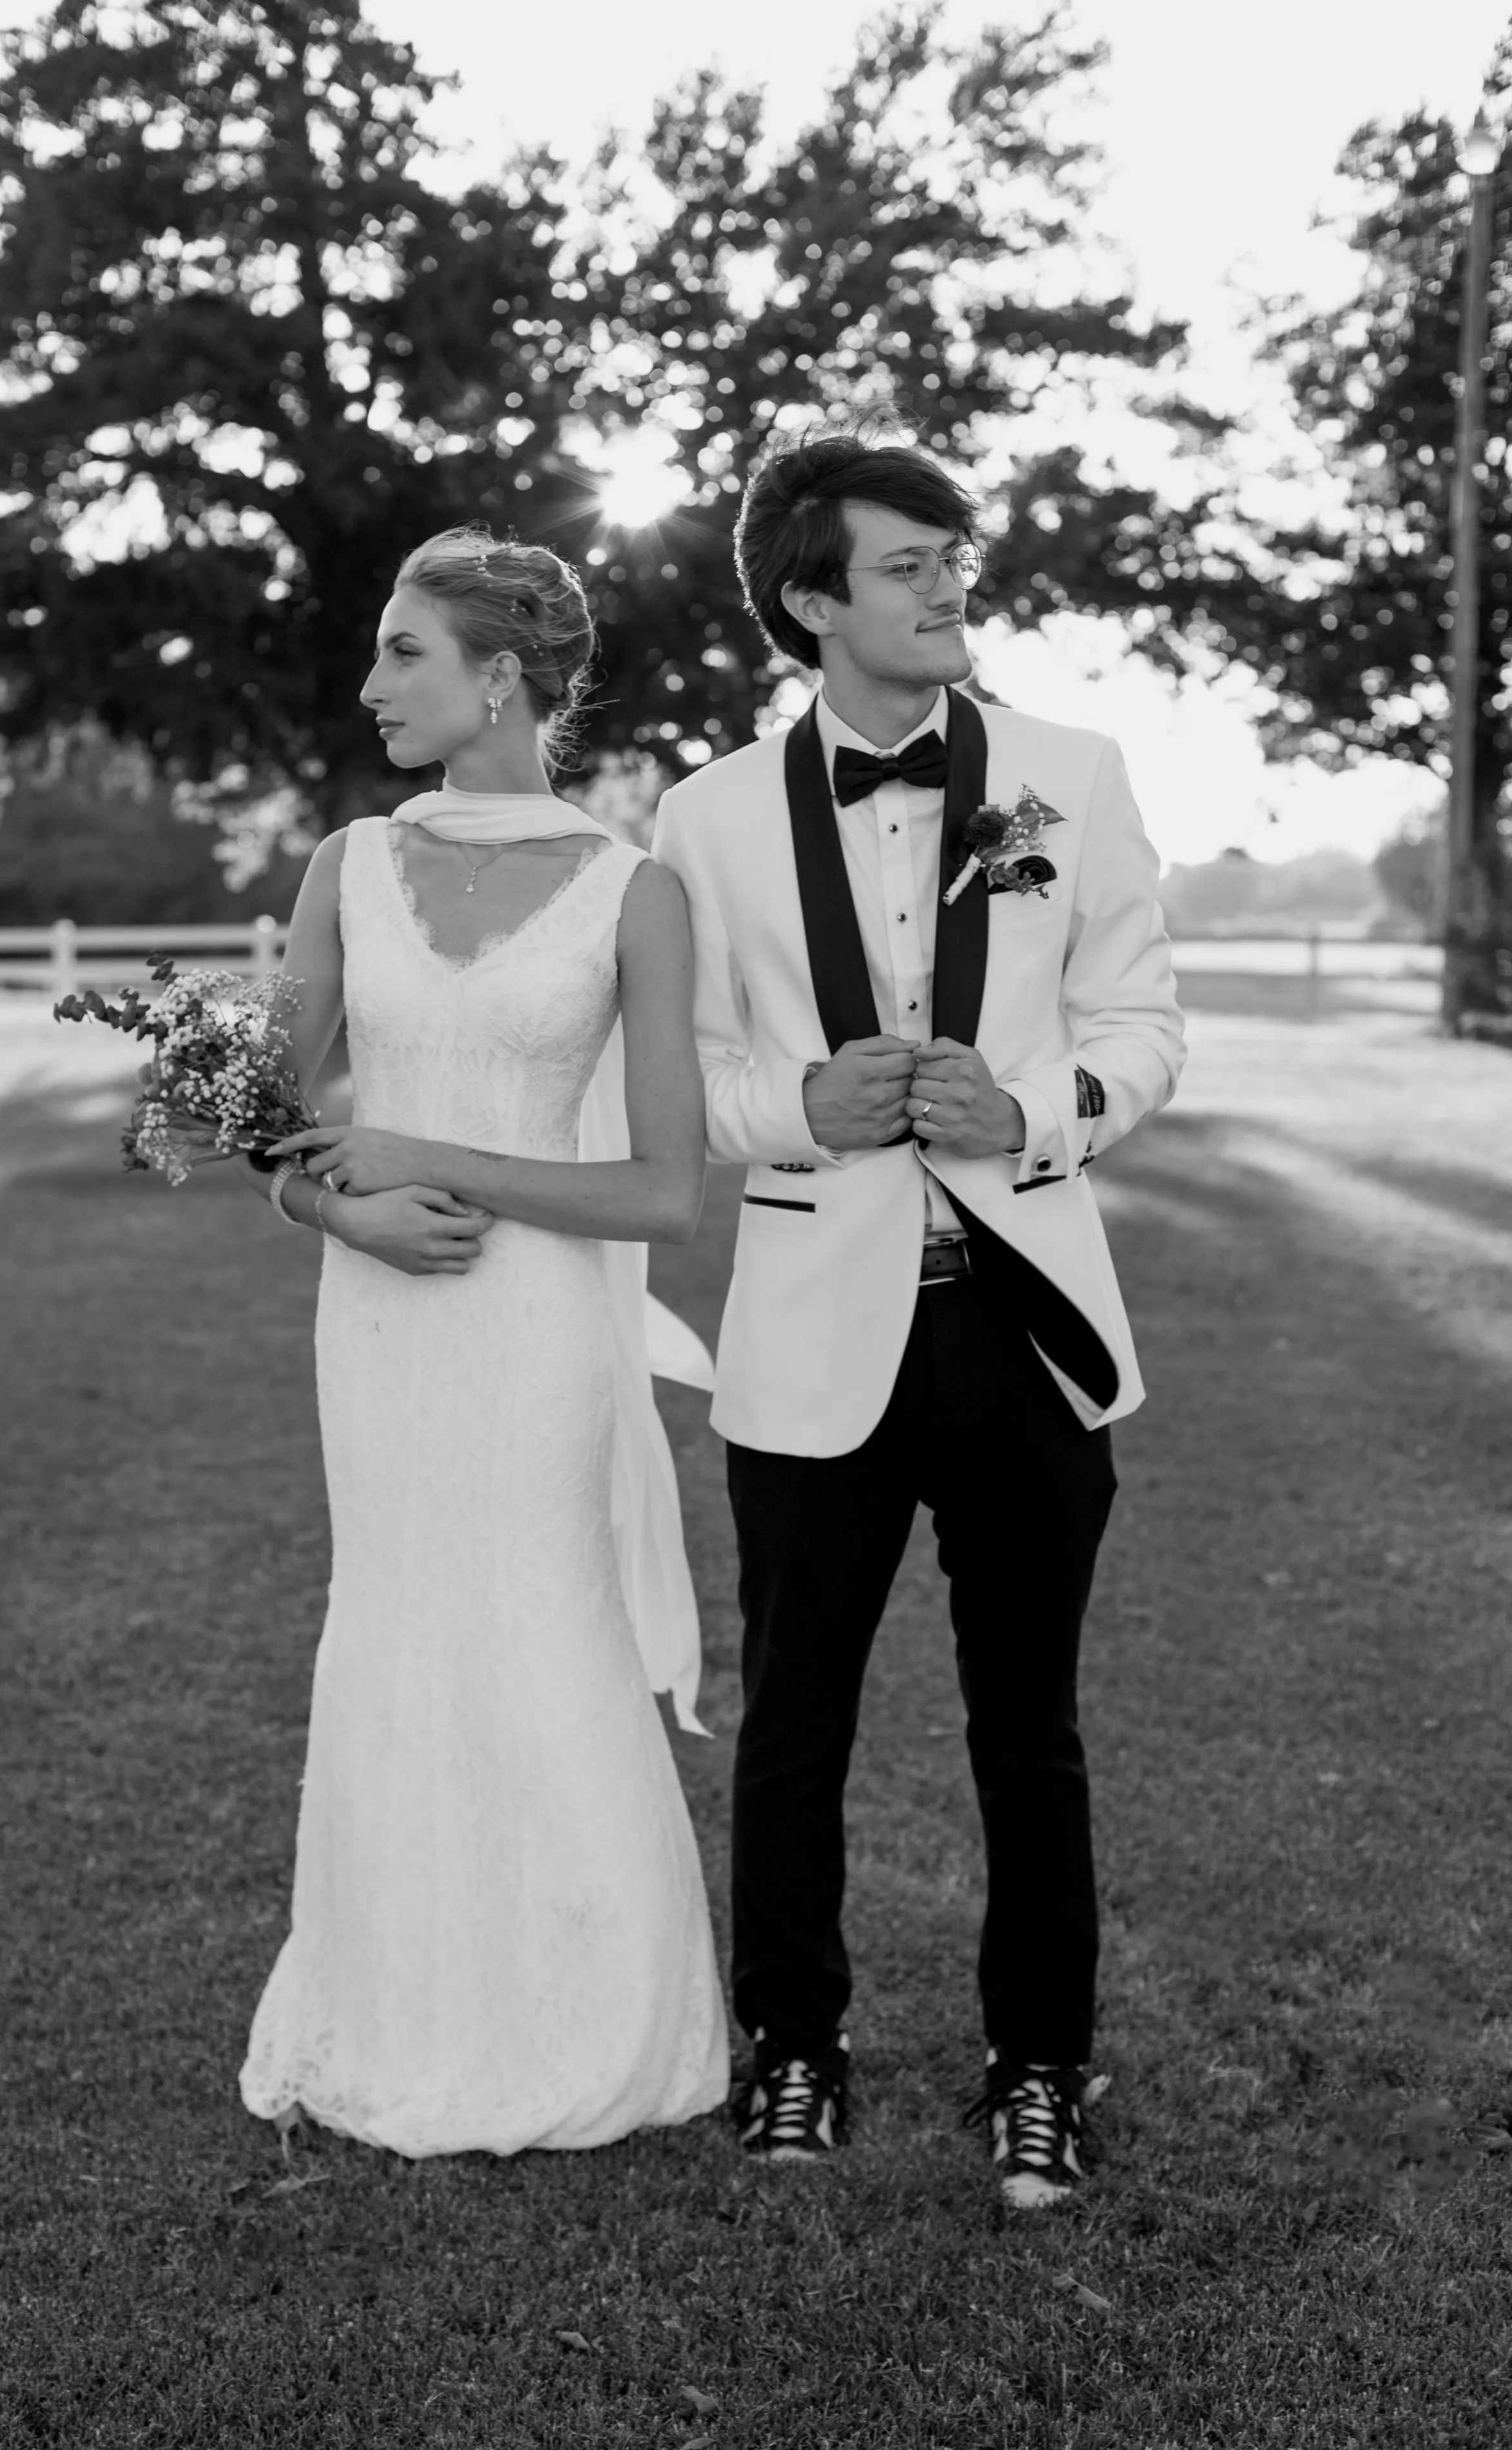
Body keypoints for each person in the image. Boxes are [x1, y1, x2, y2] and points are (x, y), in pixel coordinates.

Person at [650, 429, 1184, 2208]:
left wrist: (1031, 1114)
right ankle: (788, 2048)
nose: (950, 580)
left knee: (1026, 1725)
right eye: (904, 562)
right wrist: (799, 1103)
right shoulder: (705, 814)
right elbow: (700, 1073)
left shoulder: (1067, 773)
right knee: (793, 1719)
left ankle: (1040, 2064)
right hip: (810, 1328)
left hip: (1021, 1321)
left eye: (954, 553)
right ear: (810, 603)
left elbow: (1141, 1025)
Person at [239, 528, 728, 2156]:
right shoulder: (343, 866)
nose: (370, 682)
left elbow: (664, 1188)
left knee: (539, 1627)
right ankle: (396, 2004)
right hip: (376, 1314)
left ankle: (593, 2017)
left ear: (496, 676)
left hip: (535, 1332)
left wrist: (430, 1160)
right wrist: (334, 1210)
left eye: (401, 652)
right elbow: (252, 1108)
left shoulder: (631, 892)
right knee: (390, 1626)